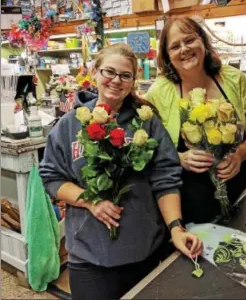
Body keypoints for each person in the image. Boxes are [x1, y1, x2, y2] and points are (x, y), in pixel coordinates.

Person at [39, 44, 202, 300]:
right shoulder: (69, 125)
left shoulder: (147, 122)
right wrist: (91, 201)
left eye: (125, 75)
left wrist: (175, 228)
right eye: (109, 72)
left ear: (133, 81)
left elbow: (166, 179)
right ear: (94, 72)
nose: (116, 80)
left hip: (144, 252)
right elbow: (51, 177)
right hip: (90, 257)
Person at [146, 17, 246, 224]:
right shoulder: (159, 92)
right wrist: (178, 158)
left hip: (236, 191)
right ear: (167, 56)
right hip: (186, 201)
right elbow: (147, 145)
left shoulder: (233, 79)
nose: (184, 49)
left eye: (190, 40)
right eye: (175, 46)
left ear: (203, 41)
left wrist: (240, 154)